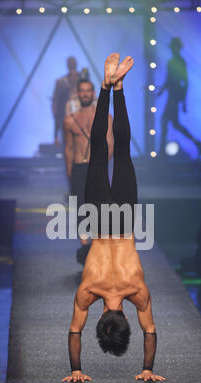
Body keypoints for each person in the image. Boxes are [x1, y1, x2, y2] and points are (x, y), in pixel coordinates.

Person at [62, 53, 166, 383]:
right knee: (99, 150)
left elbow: (149, 331)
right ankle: (110, 85)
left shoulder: (138, 291)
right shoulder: (87, 291)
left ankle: (116, 87)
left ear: (125, 318)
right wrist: (76, 369)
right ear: (103, 316)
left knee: (120, 150)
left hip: (123, 218)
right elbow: (74, 331)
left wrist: (147, 367)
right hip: (99, 218)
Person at [64, 79, 114, 264]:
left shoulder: (105, 118)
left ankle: (96, 246)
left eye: (88, 91)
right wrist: (69, 171)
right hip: (78, 168)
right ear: (78, 94)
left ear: (93, 94)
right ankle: (85, 249)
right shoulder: (70, 120)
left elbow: (110, 144)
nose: (85, 94)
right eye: (82, 91)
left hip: (97, 168)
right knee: (81, 209)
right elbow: (69, 148)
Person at [157, 37, 201, 158]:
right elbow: (170, 80)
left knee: (166, 121)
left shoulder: (178, 62)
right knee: (174, 124)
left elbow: (184, 81)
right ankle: (197, 143)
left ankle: (162, 151)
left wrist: (183, 101)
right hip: (173, 96)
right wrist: (163, 91)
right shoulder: (173, 61)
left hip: (175, 96)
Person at [52, 56, 81, 146]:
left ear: (76, 64)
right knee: (67, 143)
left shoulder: (83, 80)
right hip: (64, 116)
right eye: (69, 62)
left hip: (80, 116)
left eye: (73, 62)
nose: (71, 64)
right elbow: (55, 100)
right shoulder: (60, 82)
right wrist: (55, 112)